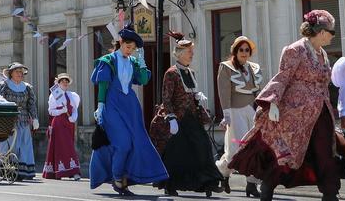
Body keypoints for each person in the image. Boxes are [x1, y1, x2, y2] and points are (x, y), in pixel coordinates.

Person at [229, 10, 340, 201]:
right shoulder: (295, 50)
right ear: (321, 32)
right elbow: (283, 77)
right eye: (332, 32)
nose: (332, 36)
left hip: (320, 111)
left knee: (324, 151)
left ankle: (330, 193)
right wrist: (272, 103)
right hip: (295, 113)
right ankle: (268, 185)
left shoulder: (322, 54)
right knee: (287, 154)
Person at [90, 26, 168, 196]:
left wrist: (142, 62)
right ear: (120, 43)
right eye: (128, 47)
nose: (130, 51)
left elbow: (143, 80)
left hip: (130, 107)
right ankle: (117, 178)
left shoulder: (133, 62)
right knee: (123, 143)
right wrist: (100, 106)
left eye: (133, 49)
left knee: (136, 142)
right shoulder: (108, 60)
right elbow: (102, 84)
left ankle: (125, 177)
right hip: (112, 105)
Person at [149, 31, 222, 197]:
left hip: (191, 116)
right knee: (176, 152)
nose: (191, 55)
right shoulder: (171, 73)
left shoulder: (191, 72)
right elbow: (166, 98)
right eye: (189, 52)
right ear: (180, 53)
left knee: (202, 145)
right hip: (177, 118)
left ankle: (207, 182)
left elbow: (190, 93)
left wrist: (197, 96)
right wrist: (171, 118)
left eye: (192, 52)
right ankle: (170, 183)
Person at [215, 36, 263, 198]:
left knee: (255, 148)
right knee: (235, 150)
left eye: (247, 50)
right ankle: (223, 173)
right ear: (235, 51)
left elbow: (258, 91)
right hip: (235, 113)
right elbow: (224, 92)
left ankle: (251, 184)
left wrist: (266, 110)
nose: (244, 52)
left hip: (252, 112)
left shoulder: (253, 68)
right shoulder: (226, 67)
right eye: (241, 49)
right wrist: (226, 115)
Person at [0, 62, 39, 180]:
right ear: (11, 74)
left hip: (23, 120)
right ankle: (2, 168)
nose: (20, 74)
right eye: (17, 72)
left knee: (24, 145)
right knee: (6, 144)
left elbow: (31, 105)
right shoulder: (3, 85)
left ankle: (22, 171)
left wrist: (34, 118)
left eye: (21, 72)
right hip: (7, 119)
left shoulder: (28, 87)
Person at [42, 73, 81, 180]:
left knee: (69, 145)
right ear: (58, 83)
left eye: (66, 81)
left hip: (69, 124)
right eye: (62, 81)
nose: (65, 83)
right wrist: (61, 111)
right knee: (62, 147)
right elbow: (51, 111)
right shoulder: (54, 95)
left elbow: (74, 109)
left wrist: (73, 117)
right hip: (58, 123)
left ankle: (69, 171)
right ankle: (70, 172)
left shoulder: (72, 95)